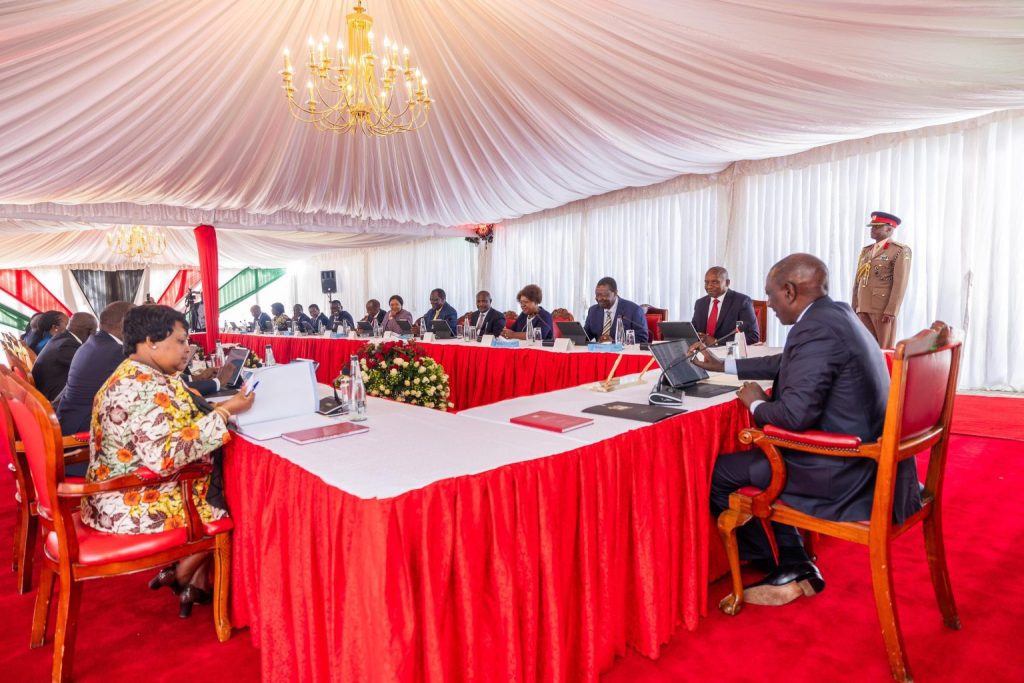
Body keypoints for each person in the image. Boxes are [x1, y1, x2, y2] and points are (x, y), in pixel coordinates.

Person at [690, 253, 920, 606]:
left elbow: (795, 417)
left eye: (771, 296)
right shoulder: (837, 314)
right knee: (769, 455)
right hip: (872, 459)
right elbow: (788, 361)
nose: (770, 305)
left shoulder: (815, 328)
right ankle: (795, 563)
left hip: (843, 469)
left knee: (720, 473)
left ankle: (774, 562)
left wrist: (755, 403)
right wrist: (725, 363)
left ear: (790, 291)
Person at [81, 304, 254, 618]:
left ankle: (193, 578)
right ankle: (188, 572)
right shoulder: (142, 386)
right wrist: (226, 411)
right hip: (129, 499)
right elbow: (166, 454)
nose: (187, 349)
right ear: (151, 341)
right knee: (236, 494)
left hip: (115, 489)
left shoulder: (142, 373)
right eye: (181, 341)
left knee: (220, 479)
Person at [56, 301, 135, 436]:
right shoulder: (115, 352)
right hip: (84, 429)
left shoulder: (93, 343)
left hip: (70, 419)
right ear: (125, 324)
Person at [852, 211, 911, 348]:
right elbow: (858, 281)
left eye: (877, 227)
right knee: (864, 348)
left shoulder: (899, 250)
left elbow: (900, 283)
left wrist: (891, 310)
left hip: (882, 308)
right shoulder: (866, 251)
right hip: (863, 306)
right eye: (872, 226)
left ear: (889, 229)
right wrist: (855, 305)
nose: (872, 229)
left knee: (883, 349)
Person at [31, 312, 97, 403]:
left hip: (45, 392)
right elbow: (89, 368)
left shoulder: (63, 339)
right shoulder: (66, 345)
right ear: (90, 332)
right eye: (95, 331)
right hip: (51, 399)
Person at [691, 267, 759, 345]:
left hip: (727, 353)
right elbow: (694, 331)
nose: (709, 286)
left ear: (727, 283)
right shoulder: (700, 303)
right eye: (706, 282)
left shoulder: (742, 302)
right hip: (701, 351)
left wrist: (716, 342)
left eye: (715, 282)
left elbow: (752, 336)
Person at [582, 276, 649, 343]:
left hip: (623, 352)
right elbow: (585, 336)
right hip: (598, 352)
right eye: (597, 295)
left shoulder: (634, 310)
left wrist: (615, 342)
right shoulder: (593, 311)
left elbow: (642, 338)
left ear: (615, 293)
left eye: (604, 295)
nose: (599, 299)